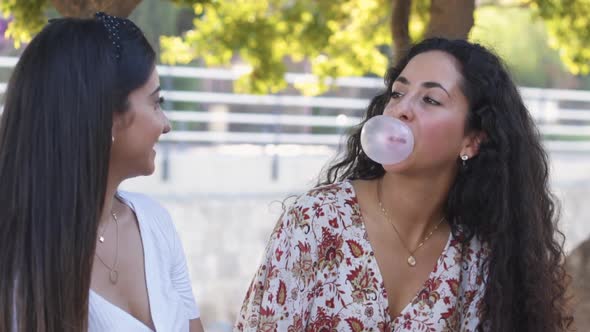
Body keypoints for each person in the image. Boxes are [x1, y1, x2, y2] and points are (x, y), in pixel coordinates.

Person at [235, 38, 573, 331]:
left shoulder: (478, 255)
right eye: (398, 93)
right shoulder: (316, 221)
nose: (401, 110)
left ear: (471, 141)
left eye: (430, 100)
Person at [0, 13, 204, 332]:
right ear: (108, 115)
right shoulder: (20, 260)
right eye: (155, 103)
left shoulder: (155, 222)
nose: (166, 124)